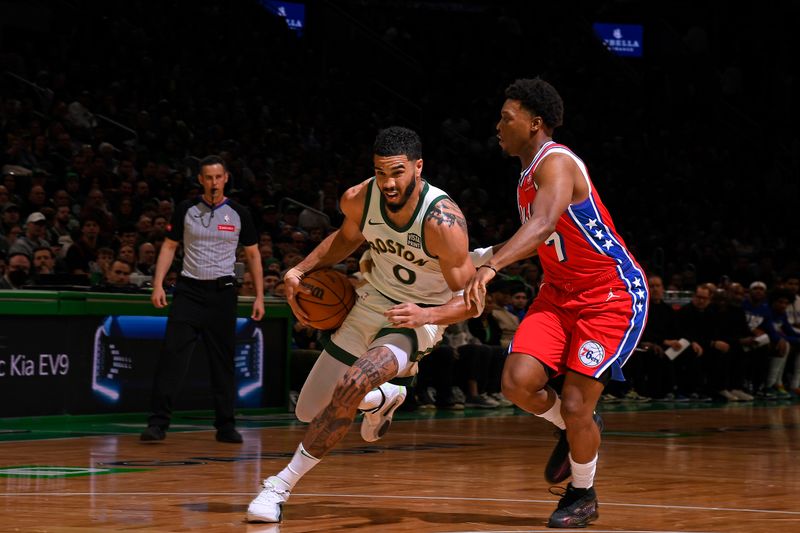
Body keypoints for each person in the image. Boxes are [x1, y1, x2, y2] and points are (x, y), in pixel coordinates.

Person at [246, 126, 478, 523]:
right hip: (371, 301)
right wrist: (300, 270)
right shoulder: (359, 198)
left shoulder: (443, 221)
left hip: (418, 313)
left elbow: (471, 302)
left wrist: (427, 317)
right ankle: (384, 398)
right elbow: (345, 239)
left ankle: (279, 486)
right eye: (380, 172)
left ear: (418, 168)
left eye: (397, 172)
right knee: (309, 410)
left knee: (354, 382)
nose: (388, 182)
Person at [463, 78, 648, 528]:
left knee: (575, 403)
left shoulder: (557, 162)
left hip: (611, 294)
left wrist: (491, 267)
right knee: (516, 382)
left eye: (507, 118)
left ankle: (583, 493)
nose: (498, 126)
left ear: (535, 122)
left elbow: (545, 224)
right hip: (559, 294)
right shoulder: (526, 176)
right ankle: (576, 430)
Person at [140, 155, 264, 444]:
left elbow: (254, 254)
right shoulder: (185, 209)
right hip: (189, 291)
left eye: (217, 177)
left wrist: (259, 295)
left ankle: (225, 425)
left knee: (222, 362)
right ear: (200, 180)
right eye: (207, 177)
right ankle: (157, 423)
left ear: (226, 178)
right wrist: (158, 284)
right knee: (172, 356)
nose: (213, 182)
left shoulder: (238, 212)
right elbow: (170, 247)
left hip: (222, 294)